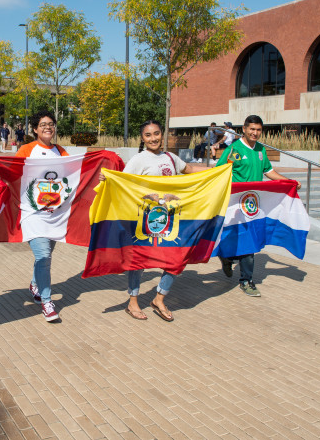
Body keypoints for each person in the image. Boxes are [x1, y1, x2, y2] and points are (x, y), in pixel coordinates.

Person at [115, 120, 197, 321]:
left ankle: (159, 298)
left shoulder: (170, 157)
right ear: (142, 138)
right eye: (148, 135)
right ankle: (132, 301)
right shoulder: (138, 160)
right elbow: (123, 184)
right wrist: (107, 180)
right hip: (144, 220)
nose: (153, 138)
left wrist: (218, 173)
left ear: (163, 134)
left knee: (177, 257)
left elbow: (190, 171)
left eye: (157, 133)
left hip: (170, 218)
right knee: (139, 260)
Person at [216, 114, 301, 297]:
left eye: (258, 130)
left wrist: (289, 182)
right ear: (244, 129)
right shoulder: (234, 150)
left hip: (253, 205)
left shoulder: (261, 150)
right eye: (252, 129)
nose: (255, 133)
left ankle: (242, 276)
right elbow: (220, 173)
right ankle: (233, 265)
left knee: (250, 242)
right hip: (236, 205)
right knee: (242, 241)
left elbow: (269, 172)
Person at [15, 111, 69, 322]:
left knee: (46, 256)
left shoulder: (62, 151)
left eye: (51, 124)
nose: (48, 127)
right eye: (43, 124)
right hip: (32, 212)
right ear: (35, 129)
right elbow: (13, 173)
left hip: (56, 214)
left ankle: (35, 283)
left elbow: (74, 174)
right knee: (44, 256)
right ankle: (47, 301)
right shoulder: (26, 149)